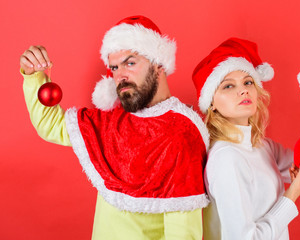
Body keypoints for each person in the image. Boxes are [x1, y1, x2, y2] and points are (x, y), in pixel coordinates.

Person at [20, 15, 209, 240]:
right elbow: (50, 126)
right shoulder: (111, 122)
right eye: (115, 67)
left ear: (158, 63)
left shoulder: (181, 133)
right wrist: (34, 76)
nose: (121, 75)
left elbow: (182, 233)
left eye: (130, 63)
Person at [191, 37, 300, 240]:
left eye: (248, 82)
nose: (243, 90)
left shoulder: (262, 147)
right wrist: (291, 195)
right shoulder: (226, 158)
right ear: (211, 103)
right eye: (228, 86)